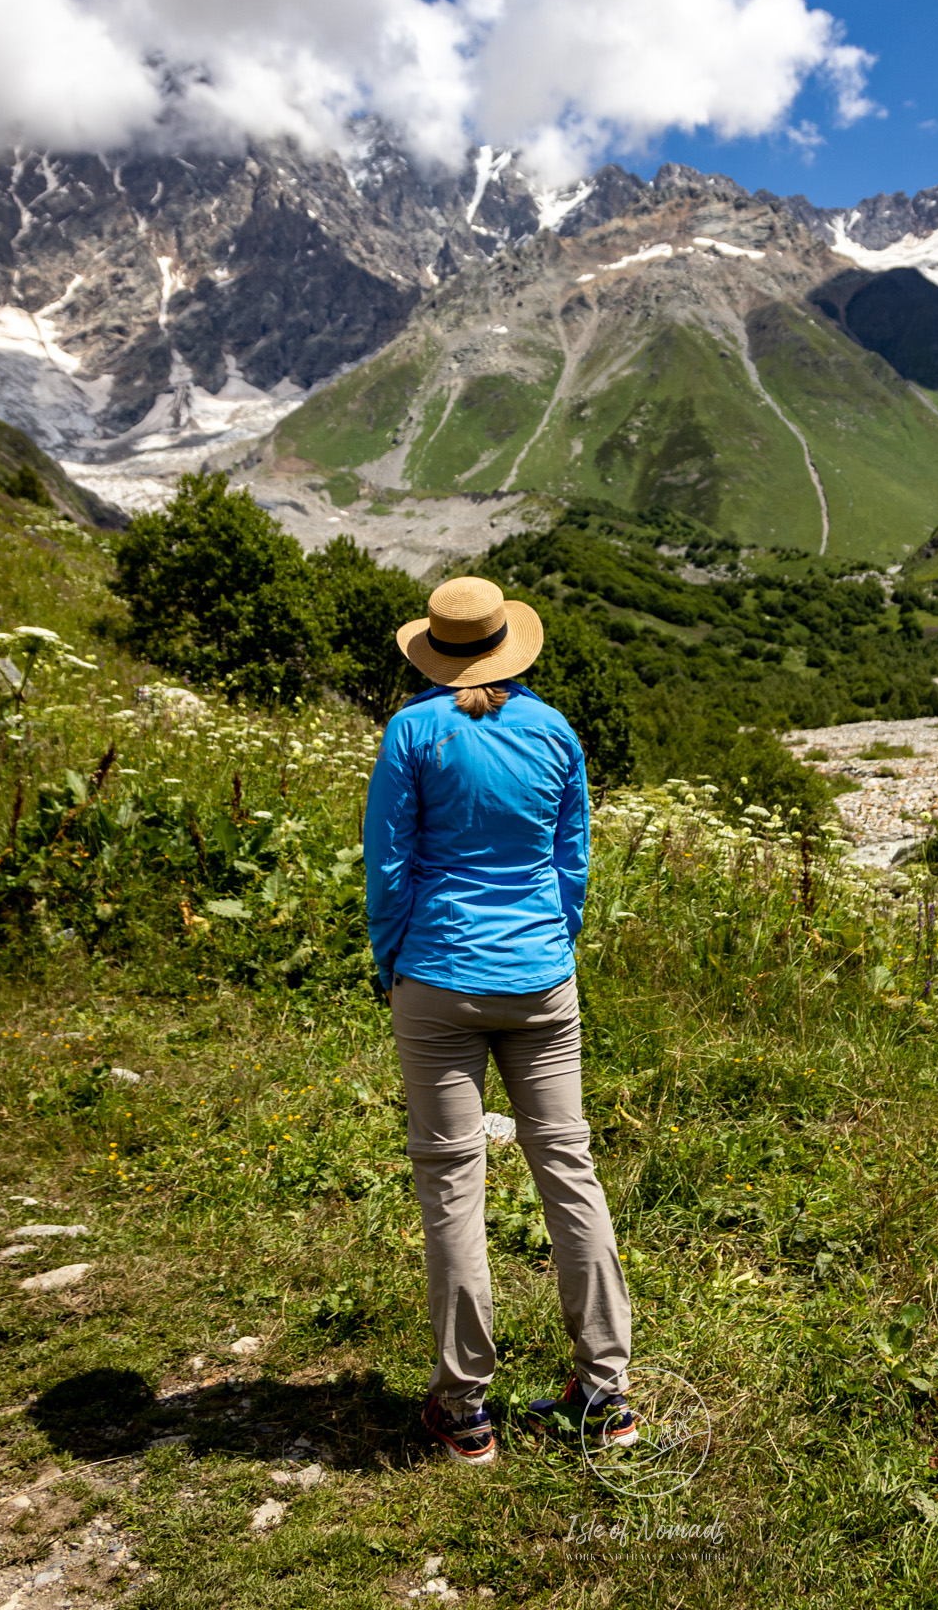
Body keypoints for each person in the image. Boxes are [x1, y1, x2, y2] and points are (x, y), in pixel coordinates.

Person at [364, 575, 634, 1466]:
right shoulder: (554, 730)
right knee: (569, 1169)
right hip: (540, 980)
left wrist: (391, 960)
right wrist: (554, 944)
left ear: (435, 651)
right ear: (510, 644)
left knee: (452, 1186)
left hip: (437, 976)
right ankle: (606, 1392)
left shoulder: (412, 732)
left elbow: (391, 866)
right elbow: (573, 858)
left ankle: (465, 1407)